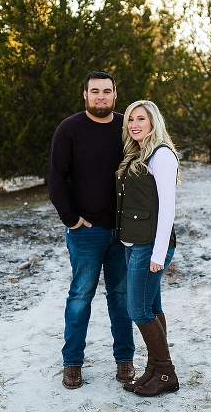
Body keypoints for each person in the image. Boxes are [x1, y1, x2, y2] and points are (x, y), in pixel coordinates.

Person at [48, 71, 135, 389]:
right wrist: (71, 219)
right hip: (86, 231)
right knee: (81, 296)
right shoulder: (69, 129)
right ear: (84, 95)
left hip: (123, 231)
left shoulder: (128, 126)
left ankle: (125, 361)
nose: (101, 96)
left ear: (115, 94)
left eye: (107, 91)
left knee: (122, 297)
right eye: (94, 91)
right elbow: (56, 178)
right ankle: (72, 364)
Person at [115, 99, 180, 396]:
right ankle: (154, 369)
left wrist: (157, 253)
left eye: (140, 118)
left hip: (151, 245)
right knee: (152, 307)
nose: (134, 124)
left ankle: (166, 373)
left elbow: (168, 208)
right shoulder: (138, 153)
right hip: (135, 242)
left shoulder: (162, 155)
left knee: (138, 309)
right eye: (130, 119)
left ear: (153, 121)